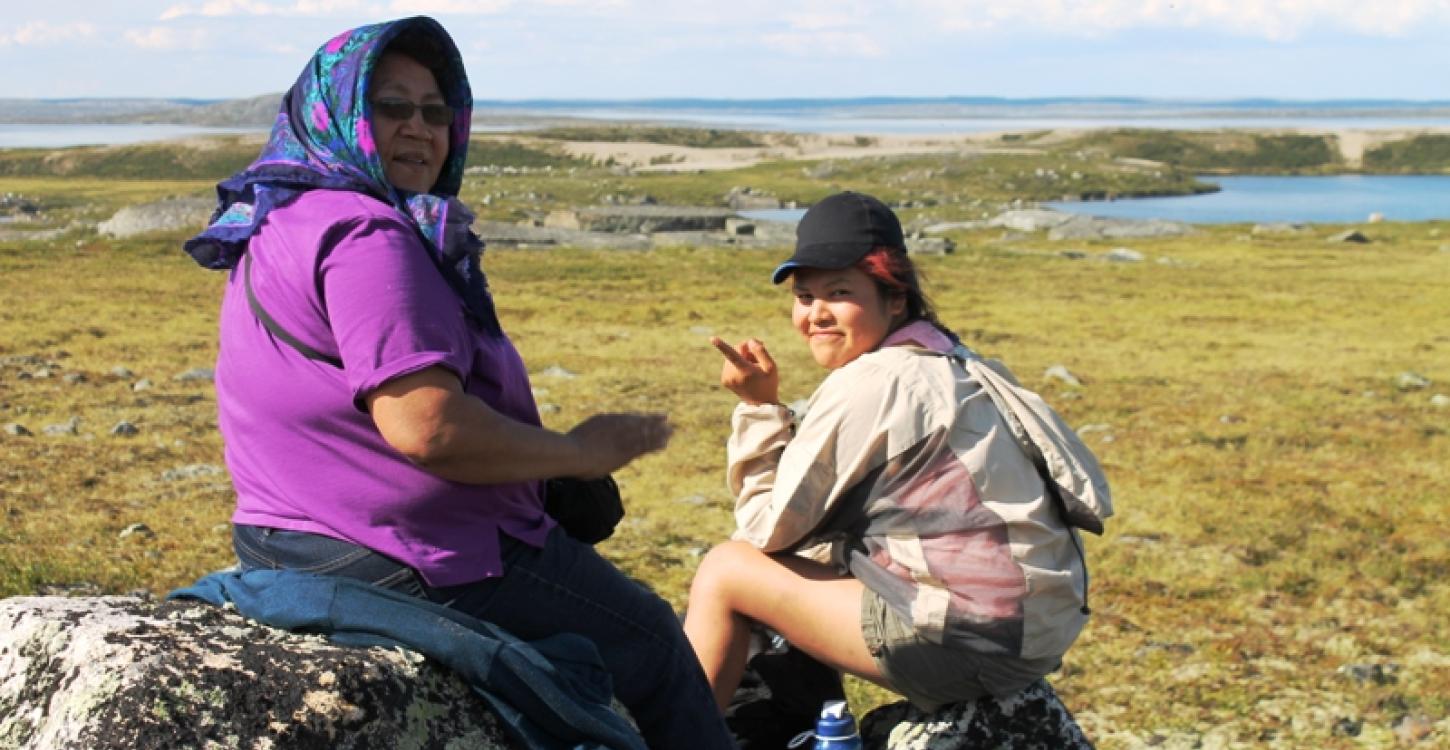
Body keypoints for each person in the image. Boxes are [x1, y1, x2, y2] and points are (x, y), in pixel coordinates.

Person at [181, 17, 733, 749]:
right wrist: (576, 452)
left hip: (286, 536)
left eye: (435, 110)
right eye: (391, 105)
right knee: (653, 641)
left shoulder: (282, 215)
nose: (419, 127)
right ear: (338, 112)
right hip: (408, 550)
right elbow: (429, 429)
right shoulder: (366, 232)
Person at [684, 191, 1103, 714]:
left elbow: (766, 529)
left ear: (895, 296)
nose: (816, 314)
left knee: (727, 570)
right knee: (805, 559)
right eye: (804, 295)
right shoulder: (950, 356)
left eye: (839, 292)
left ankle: (683, 734)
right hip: (1034, 625)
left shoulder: (879, 381)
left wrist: (758, 407)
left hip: (976, 643)